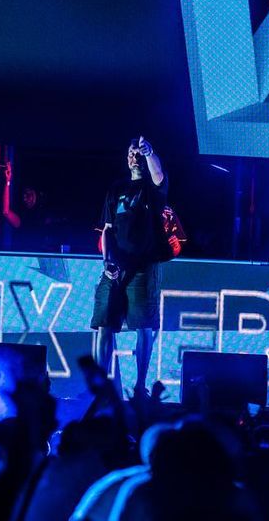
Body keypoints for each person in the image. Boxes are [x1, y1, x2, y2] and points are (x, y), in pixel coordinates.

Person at [91, 136, 168, 398]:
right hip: (115, 268)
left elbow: (158, 174)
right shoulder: (116, 189)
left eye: (138, 153)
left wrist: (150, 152)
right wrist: (106, 261)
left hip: (144, 268)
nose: (134, 157)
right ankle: (101, 387)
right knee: (104, 322)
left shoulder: (152, 188)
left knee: (143, 326)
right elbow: (107, 229)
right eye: (131, 153)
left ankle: (139, 386)